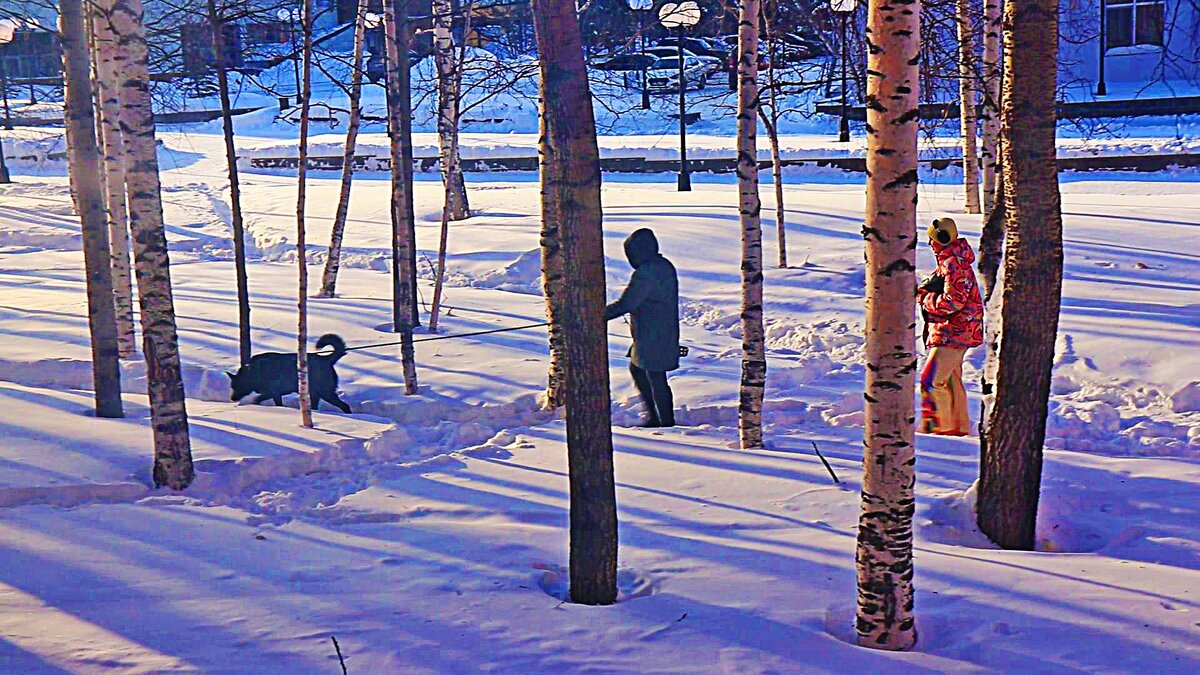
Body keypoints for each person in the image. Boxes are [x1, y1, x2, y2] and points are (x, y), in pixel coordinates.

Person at [606, 228, 680, 428]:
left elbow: (627, 303)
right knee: (639, 369)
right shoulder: (663, 265)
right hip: (661, 329)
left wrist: (596, 316)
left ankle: (664, 422)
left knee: (655, 376)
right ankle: (656, 417)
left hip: (652, 332)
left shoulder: (646, 273)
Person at [918, 217, 984, 436]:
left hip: (953, 332)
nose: (930, 244)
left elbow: (953, 301)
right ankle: (958, 430)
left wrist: (925, 299)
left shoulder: (952, 264)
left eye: (932, 239)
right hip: (955, 331)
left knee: (931, 382)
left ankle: (939, 432)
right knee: (950, 381)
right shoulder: (951, 262)